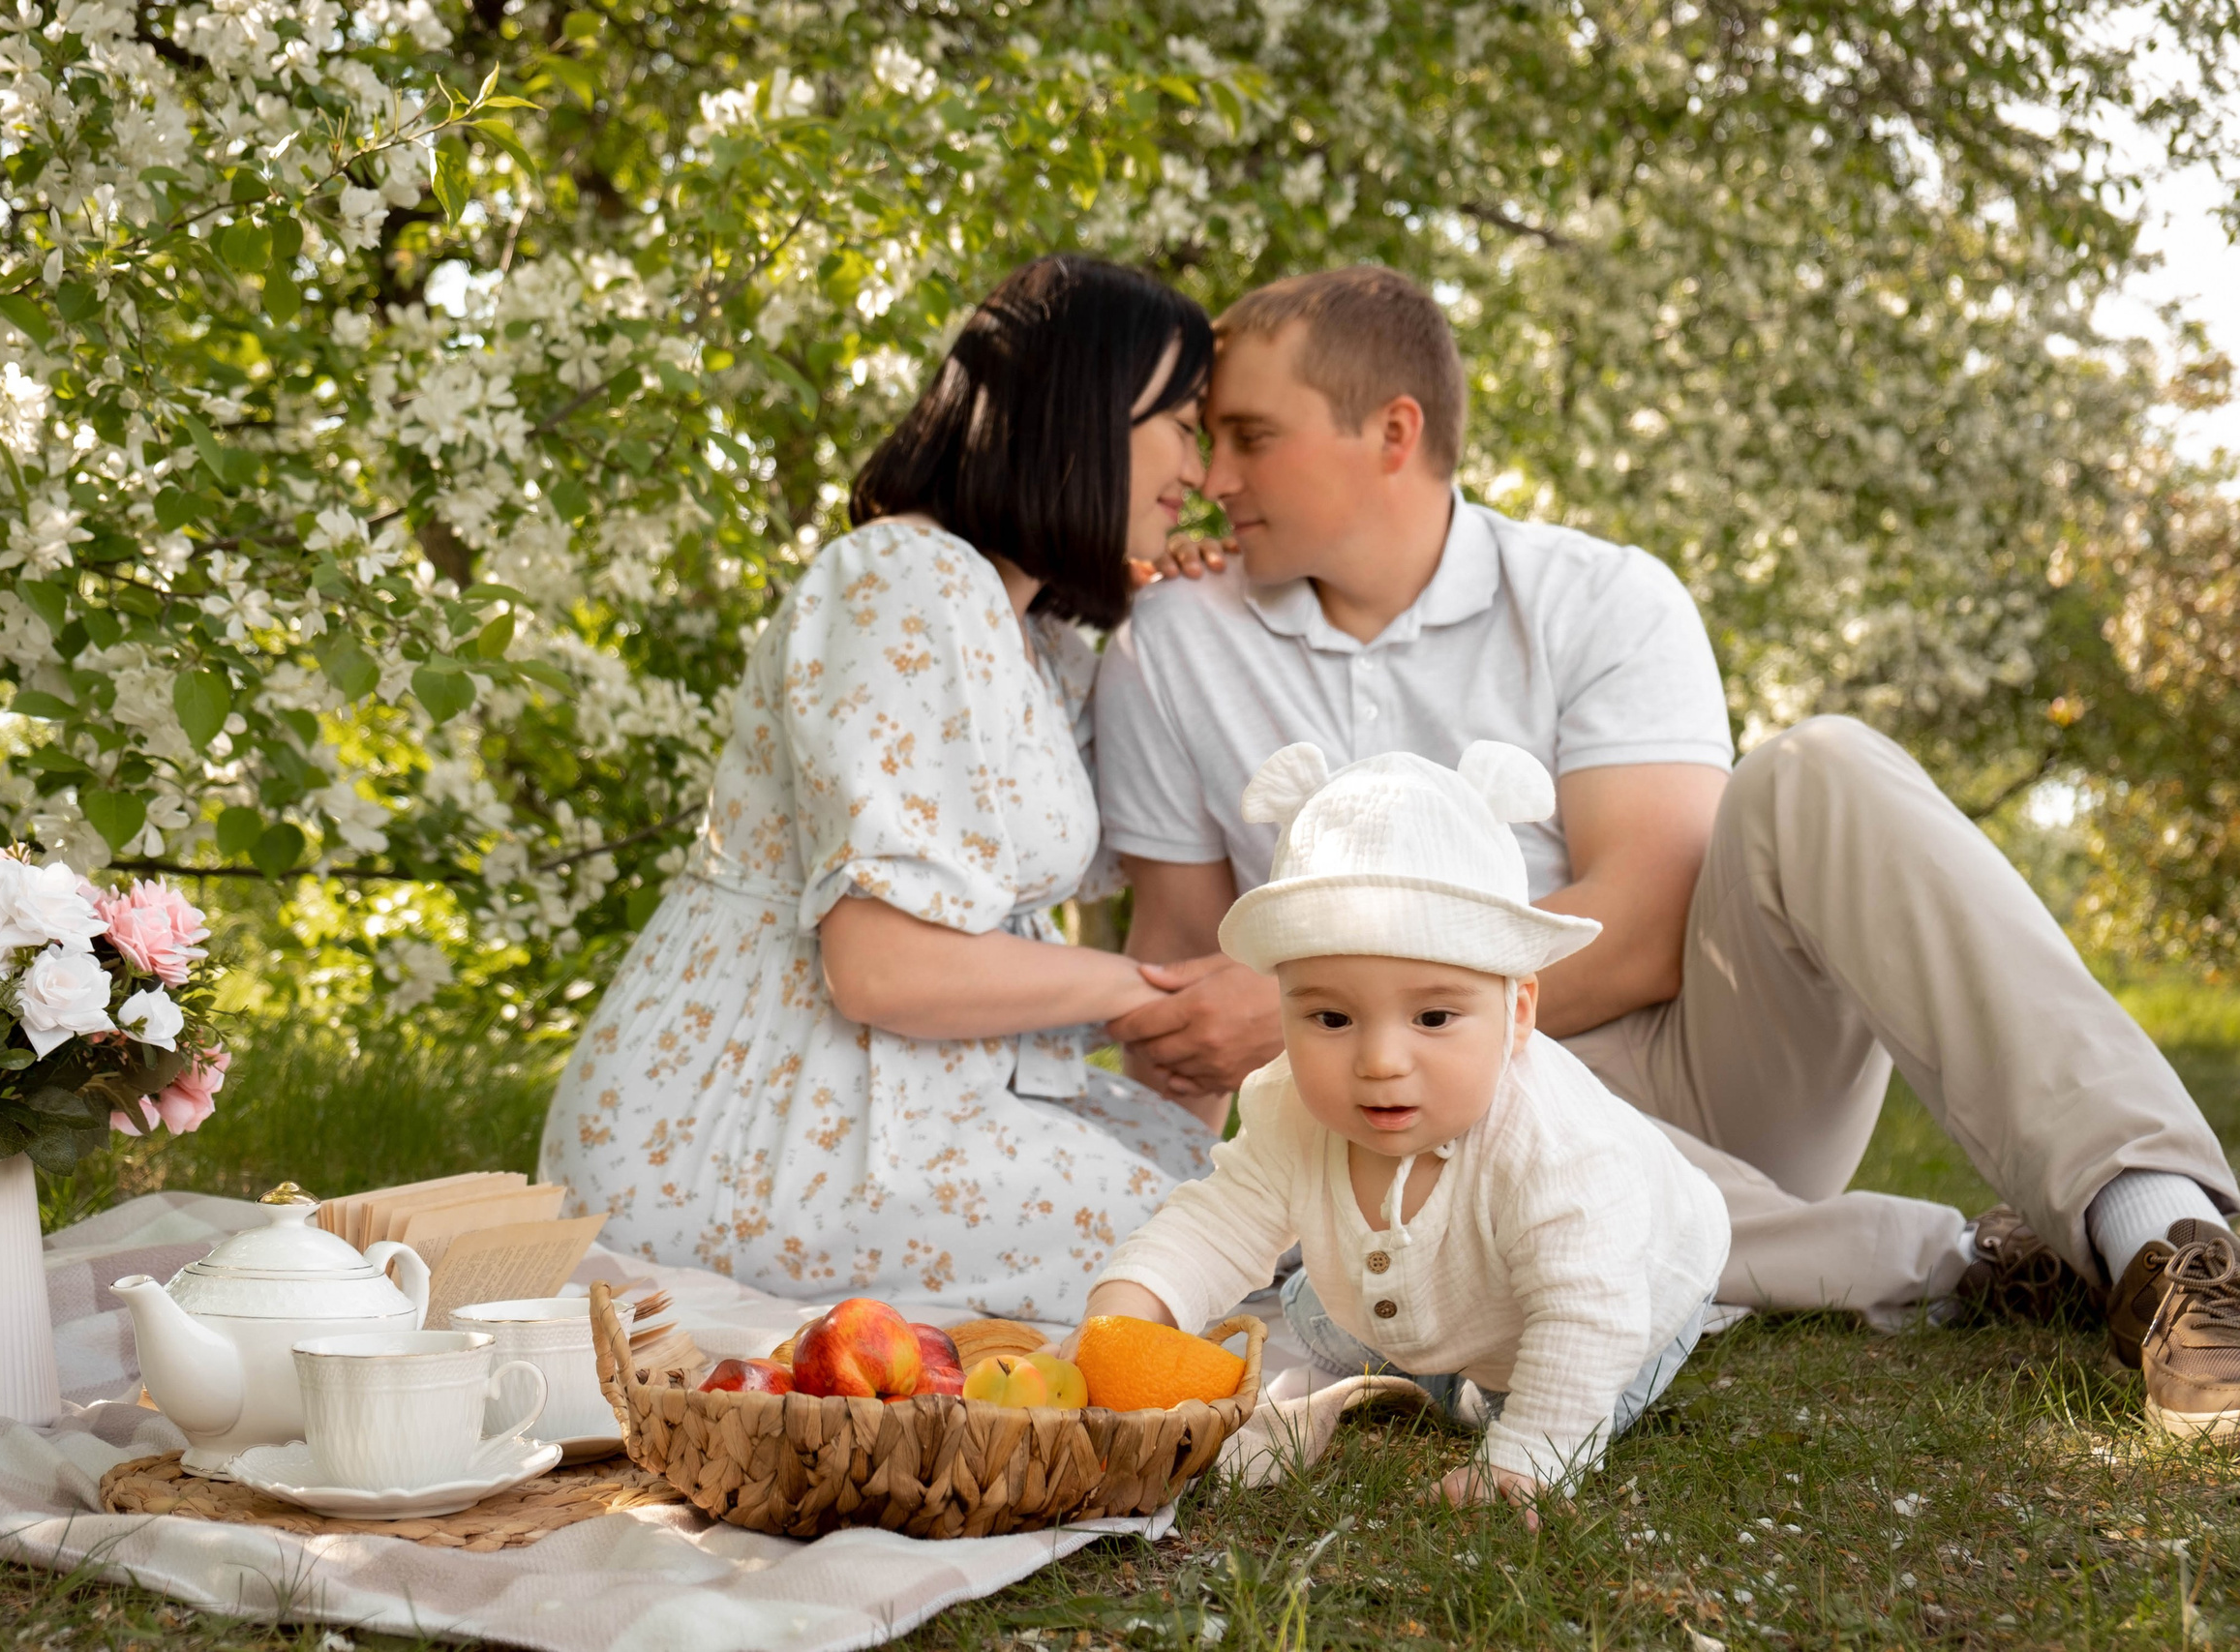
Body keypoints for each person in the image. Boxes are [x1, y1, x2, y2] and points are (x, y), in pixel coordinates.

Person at [1094, 267, 2240, 1411]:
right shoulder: (1170, 642)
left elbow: (1641, 927)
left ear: (1392, 432)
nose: (1212, 477)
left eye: (1248, 436)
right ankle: (1963, 1262)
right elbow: (1180, 965)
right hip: (1387, 1126)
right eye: (1209, 439)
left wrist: (1332, 998)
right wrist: (1191, 1244)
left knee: (1817, 766)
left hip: (1686, 1071)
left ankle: (2161, 1234)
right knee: (1495, 1193)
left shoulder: (1600, 599)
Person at [537, 255, 1225, 1322]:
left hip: (894, 1098)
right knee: (1202, 1236)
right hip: (751, 1121)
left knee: (1228, 1200)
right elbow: (882, 968)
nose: (1201, 467)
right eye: (1182, 423)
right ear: (1085, 409)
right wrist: (1144, 996)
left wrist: (1191, 618)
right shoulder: (904, 580)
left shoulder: (1036, 642)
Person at [1083, 739, 1730, 1514]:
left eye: (1433, 1016)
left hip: (1631, 1295)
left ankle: (1481, 1389)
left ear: (1517, 1013)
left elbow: (1591, 1304)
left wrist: (1525, 1457)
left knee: (1546, 1393)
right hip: (1461, 1287)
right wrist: (1125, 1313)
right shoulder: (1293, 1103)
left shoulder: (1550, 1140)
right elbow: (1219, 1221)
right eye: (1331, 1016)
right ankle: (1439, 1364)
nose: (1381, 1059)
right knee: (1312, 1305)